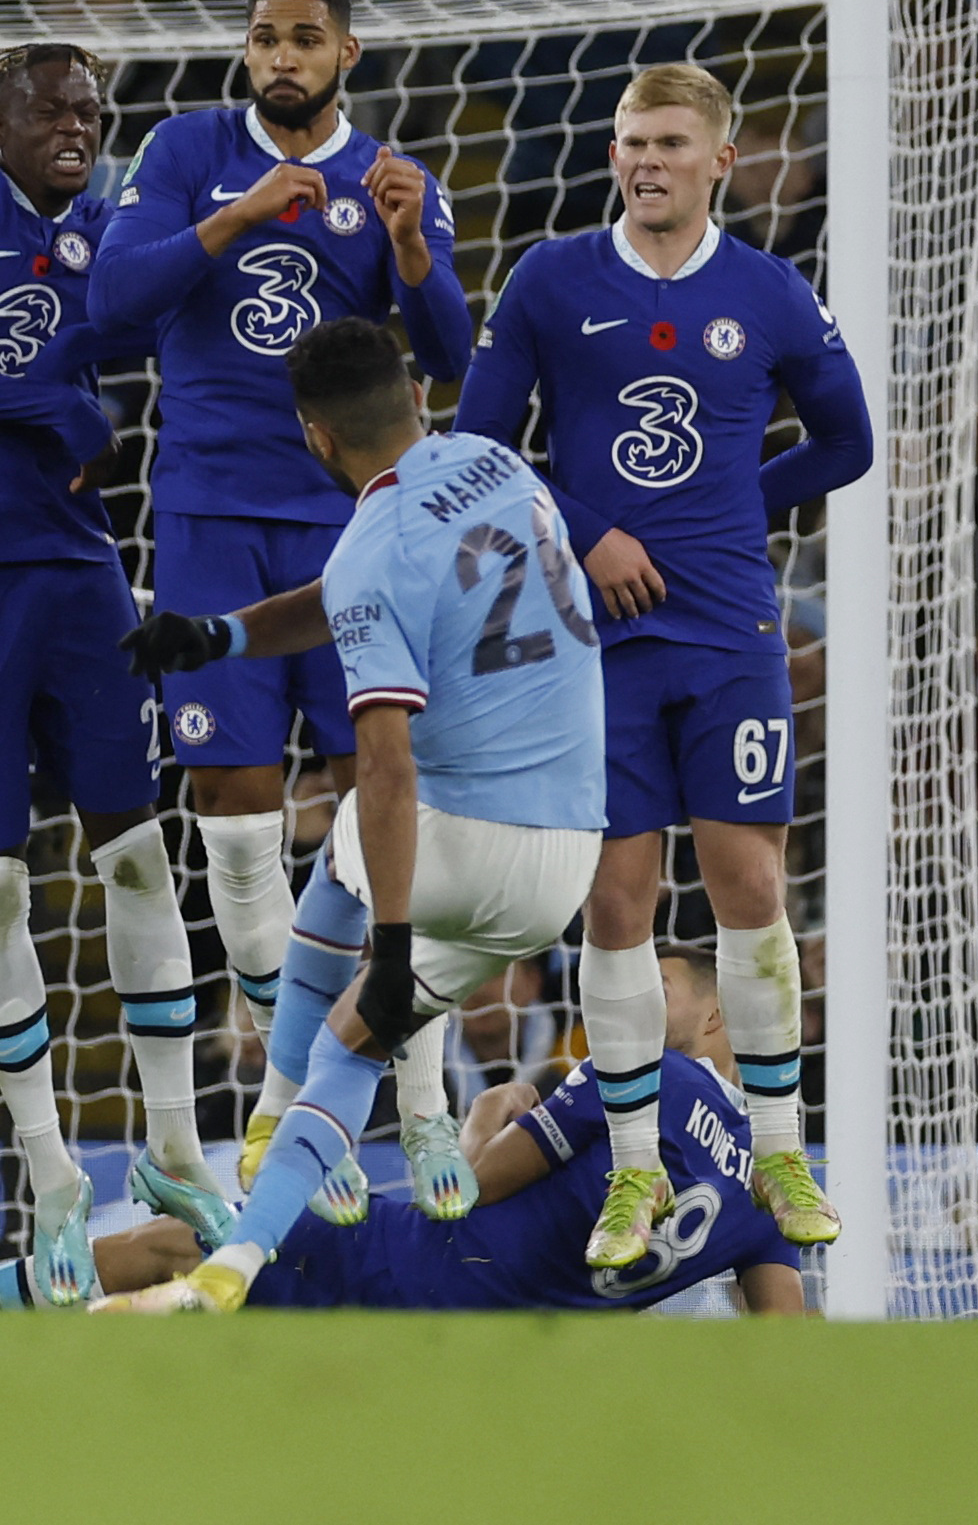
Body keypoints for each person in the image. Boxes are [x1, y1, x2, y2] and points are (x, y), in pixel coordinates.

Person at [452, 61, 874, 1263]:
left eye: (670, 142)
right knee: (616, 900)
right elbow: (478, 448)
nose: (644, 159)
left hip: (731, 632)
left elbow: (844, 440)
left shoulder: (771, 294)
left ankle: (782, 1152)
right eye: (631, 140)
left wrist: (741, 500)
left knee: (749, 889)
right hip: (600, 643)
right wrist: (588, 531)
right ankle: (632, 1174)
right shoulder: (550, 280)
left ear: (720, 162)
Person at [99, 316, 606, 1311]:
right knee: (360, 1026)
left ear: (314, 436)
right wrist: (220, 635)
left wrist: (393, 939)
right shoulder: (491, 460)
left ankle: (277, 1123)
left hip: (465, 841)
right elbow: (344, 596)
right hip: (565, 864)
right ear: (414, 395)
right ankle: (258, 1232)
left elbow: (381, 767)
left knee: (344, 863)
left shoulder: (376, 546)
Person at [88, 0, 474, 1201]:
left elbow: (455, 357)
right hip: (207, 514)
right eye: (264, 39)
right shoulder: (184, 149)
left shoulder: (394, 179)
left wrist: (412, 246)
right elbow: (109, 300)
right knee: (240, 819)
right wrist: (235, 217)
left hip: (355, 525)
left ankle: (418, 1102)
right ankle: (286, 1099)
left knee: (388, 801)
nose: (282, 57)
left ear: (347, 54)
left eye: (306, 38)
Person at [0, 44, 204, 1296]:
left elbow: (139, 322)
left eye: (90, 111)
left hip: (74, 565)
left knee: (135, 845)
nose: (75, 126)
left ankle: (173, 1138)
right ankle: (53, 1164)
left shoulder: (107, 218)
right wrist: (53, 407)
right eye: (51, 107)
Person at [0, 951, 806, 1315]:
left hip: (419, 1262)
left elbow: (474, 1182)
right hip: (511, 1337)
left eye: (661, 986)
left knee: (182, 1242)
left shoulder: (654, 1076)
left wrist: (488, 1109)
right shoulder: (772, 1188)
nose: (632, 993)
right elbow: (786, 1352)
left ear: (714, 1022)